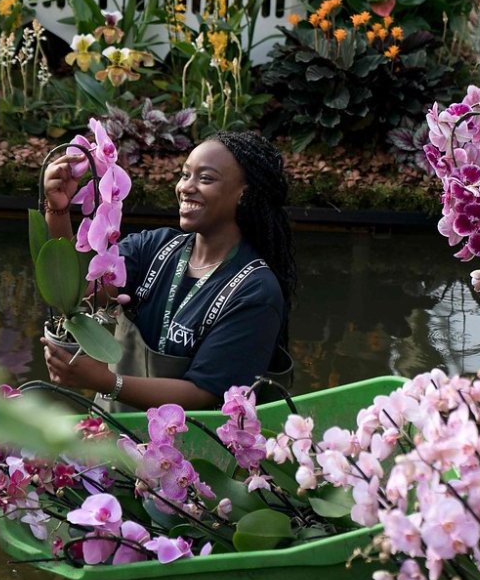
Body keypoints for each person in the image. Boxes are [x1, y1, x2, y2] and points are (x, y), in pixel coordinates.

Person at [39, 130, 296, 410]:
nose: (186, 187)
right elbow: (79, 293)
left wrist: (107, 383)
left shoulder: (255, 291)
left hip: (187, 448)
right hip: (109, 434)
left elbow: (206, 393)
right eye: (185, 175)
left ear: (244, 194)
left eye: (205, 178)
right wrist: (57, 210)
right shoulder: (154, 247)